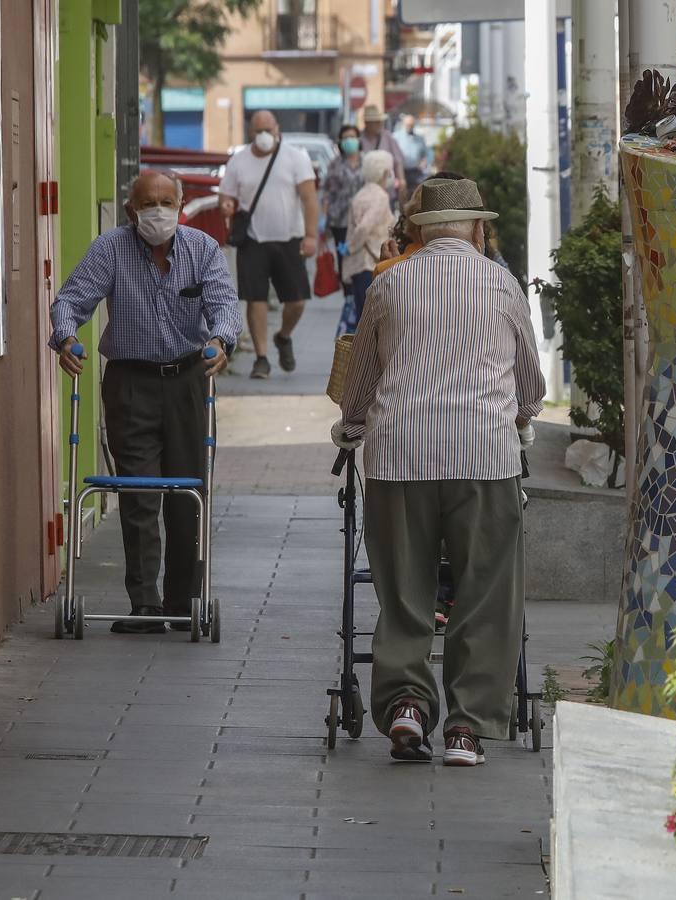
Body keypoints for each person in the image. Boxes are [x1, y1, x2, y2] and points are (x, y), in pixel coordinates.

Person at [335, 178, 545, 766]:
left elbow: (362, 379)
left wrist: (352, 425)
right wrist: (523, 416)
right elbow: (530, 381)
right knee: (484, 591)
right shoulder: (501, 283)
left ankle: (405, 706)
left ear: (423, 229)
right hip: (483, 455)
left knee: (404, 591)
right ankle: (466, 729)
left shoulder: (390, 283)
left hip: (400, 455)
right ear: (477, 228)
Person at [49, 170, 241, 634]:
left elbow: (223, 304)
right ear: (131, 210)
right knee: (139, 493)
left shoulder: (202, 249)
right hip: (131, 384)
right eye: (147, 204)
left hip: (188, 381)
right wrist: (66, 337)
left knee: (187, 494)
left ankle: (183, 601)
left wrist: (222, 340)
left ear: (179, 204)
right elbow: (71, 300)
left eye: (166, 202)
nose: (158, 212)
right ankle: (146, 605)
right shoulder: (111, 248)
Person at [217, 109, 319, 379]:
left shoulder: (296, 158)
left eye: (268, 130)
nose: (263, 135)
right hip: (253, 239)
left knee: (297, 301)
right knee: (256, 298)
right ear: (251, 132)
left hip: (290, 238)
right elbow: (225, 196)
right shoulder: (238, 161)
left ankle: (283, 336)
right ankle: (261, 358)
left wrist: (311, 236)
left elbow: (309, 199)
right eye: (258, 130)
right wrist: (226, 206)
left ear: (277, 130)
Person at [341, 150, 397, 329]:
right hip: (371, 263)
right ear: (384, 172)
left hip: (358, 264)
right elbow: (365, 227)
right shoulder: (380, 197)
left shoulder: (361, 194)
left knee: (361, 317)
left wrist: (349, 249)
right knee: (370, 322)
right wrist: (351, 246)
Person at [322, 123, 364, 275]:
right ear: (340, 142)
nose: (349, 141)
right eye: (345, 138)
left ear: (358, 139)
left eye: (352, 137)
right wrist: (324, 217)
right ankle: (348, 294)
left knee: (361, 258)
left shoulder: (367, 162)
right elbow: (328, 193)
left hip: (362, 220)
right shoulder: (335, 165)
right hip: (340, 220)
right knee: (343, 258)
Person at [359, 105, 406, 202]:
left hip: (387, 189)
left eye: (379, 121)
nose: (379, 124)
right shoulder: (359, 139)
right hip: (366, 190)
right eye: (376, 122)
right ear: (367, 123)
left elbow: (398, 160)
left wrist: (401, 180)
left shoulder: (387, 137)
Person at [393, 114, 430, 193]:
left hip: (415, 172)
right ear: (403, 124)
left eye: (412, 125)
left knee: (415, 196)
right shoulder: (396, 137)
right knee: (402, 196)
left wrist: (423, 163)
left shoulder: (420, 138)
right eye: (408, 125)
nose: (410, 127)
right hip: (401, 172)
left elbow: (425, 155)